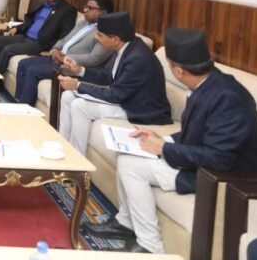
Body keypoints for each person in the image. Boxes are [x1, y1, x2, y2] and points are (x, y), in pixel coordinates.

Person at [84, 28, 257, 254]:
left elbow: (218, 158)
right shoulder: (208, 84)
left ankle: (150, 247)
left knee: (132, 165)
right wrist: (160, 138)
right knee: (128, 154)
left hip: (228, 178)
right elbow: (196, 133)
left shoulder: (228, 98)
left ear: (179, 71)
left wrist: (164, 148)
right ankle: (126, 223)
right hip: (205, 164)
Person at [57, 11, 172, 154]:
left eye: (100, 35)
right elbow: (106, 77)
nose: (96, 38)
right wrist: (80, 70)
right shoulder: (123, 48)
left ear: (115, 39)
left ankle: (77, 157)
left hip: (139, 109)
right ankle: (63, 147)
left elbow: (116, 95)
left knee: (79, 105)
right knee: (68, 96)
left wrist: (78, 85)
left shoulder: (138, 59)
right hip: (124, 99)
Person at [14, 0, 114, 107]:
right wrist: (55, 50)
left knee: (33, 71)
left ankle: (25, 108)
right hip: (58, 58)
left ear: (102, 12)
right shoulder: (82, 23)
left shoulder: (106, 33)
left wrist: (66, 57)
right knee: (23, 63)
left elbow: (94, 58)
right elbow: (64, 39)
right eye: (86, 6)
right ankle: (18, 102)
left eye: (90, 8)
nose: (85, 10)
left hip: (73, 67)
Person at [0, 0, 77, 74]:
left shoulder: (67, 9)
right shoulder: (43, 4)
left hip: (39, 43)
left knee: (8, 49)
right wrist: (17, 29)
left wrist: (54, 48)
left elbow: (66, 33)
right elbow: (30, 22)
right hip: (25, 36)